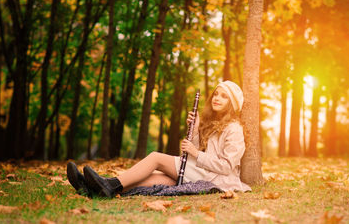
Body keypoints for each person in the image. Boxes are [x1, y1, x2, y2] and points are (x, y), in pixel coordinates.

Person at [67, 80, 251, 198]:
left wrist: (194, 152)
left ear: (232, 104)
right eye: (216, 94)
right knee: (156, 177)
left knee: (155, 157)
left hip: (217, 178)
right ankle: (93, 189)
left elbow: (226, 165)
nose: (217, 98)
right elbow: (194, 154)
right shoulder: (212, 123)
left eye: (224, 96)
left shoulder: (234, 129)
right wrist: (194, 131)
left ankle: (108, 183)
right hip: (204, 171)